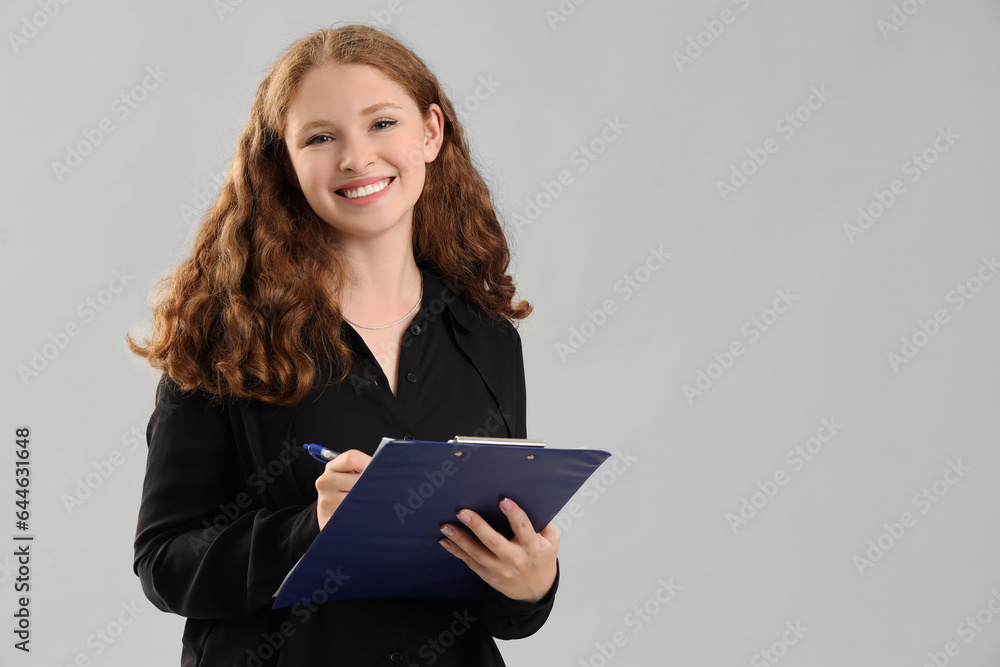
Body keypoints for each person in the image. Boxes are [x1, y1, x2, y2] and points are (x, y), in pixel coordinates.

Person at [126, 23, 560, 667]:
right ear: (285, 163)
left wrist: (531, 587)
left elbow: (497, 588)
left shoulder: (487, 337)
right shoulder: (228, 334)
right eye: (321, 137)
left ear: (431, 132)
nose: (357, 158)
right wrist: (311, 529)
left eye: (382, 123)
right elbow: (164, 564)